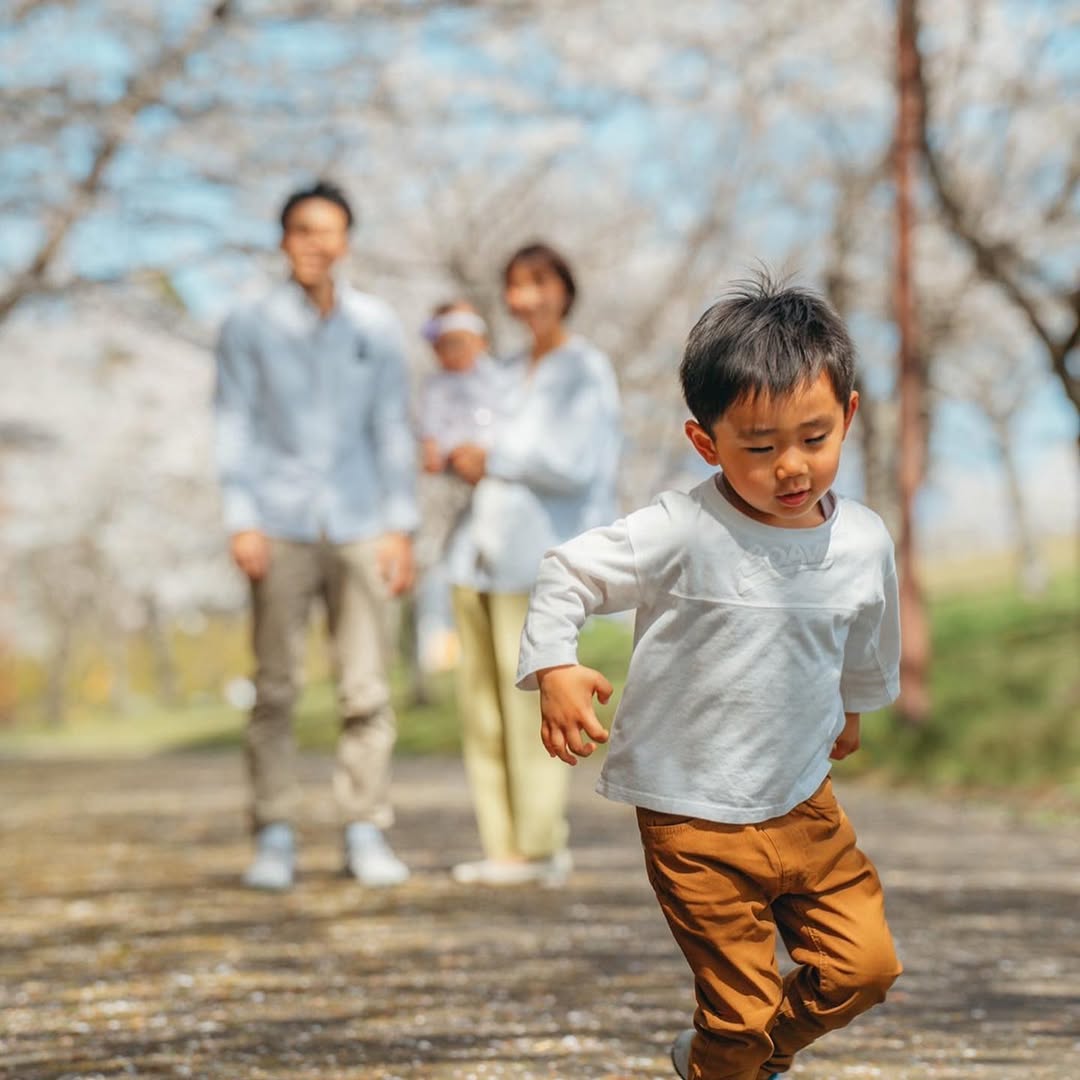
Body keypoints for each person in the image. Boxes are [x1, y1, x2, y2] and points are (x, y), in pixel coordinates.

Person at [517, 273, 903, 1079]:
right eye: (759, 447)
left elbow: (866, 633)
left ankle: (736, 1054)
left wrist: (854, 710)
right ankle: (725, 1055)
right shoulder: (683, 529)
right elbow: (567, 573)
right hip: (691, 816)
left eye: (815, 437)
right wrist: (554, 662)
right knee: (740, 1010)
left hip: (803, 804)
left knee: (865, 968)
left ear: (851, 417)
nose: (791, 466)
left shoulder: (864, 541)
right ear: (708, 444)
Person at [214, 180, 418, 892]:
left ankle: (363, 827)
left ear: (346, 242)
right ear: (283, 240)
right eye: (302, 229)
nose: (315, 243)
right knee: (274, 688)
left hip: (362, 522)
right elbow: (233, 422)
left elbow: (392, 427)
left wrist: (401, 525)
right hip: (279, 523)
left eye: (328, 231)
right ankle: (273, 831)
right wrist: (241, 517)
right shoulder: (249, 323)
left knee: (366, 688)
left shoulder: (376, 325)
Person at [444, 242, 620, 886]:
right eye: (515, 286)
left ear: (565, 289)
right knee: (483, 711)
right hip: (478, 557)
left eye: (539, 283)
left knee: (537, 706)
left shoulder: (585, 369)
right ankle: (504, 847)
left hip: (541, 560)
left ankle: (542, 844)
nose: (526, 298)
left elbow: (574, 463)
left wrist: (492, 455)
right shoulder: (502, 369)